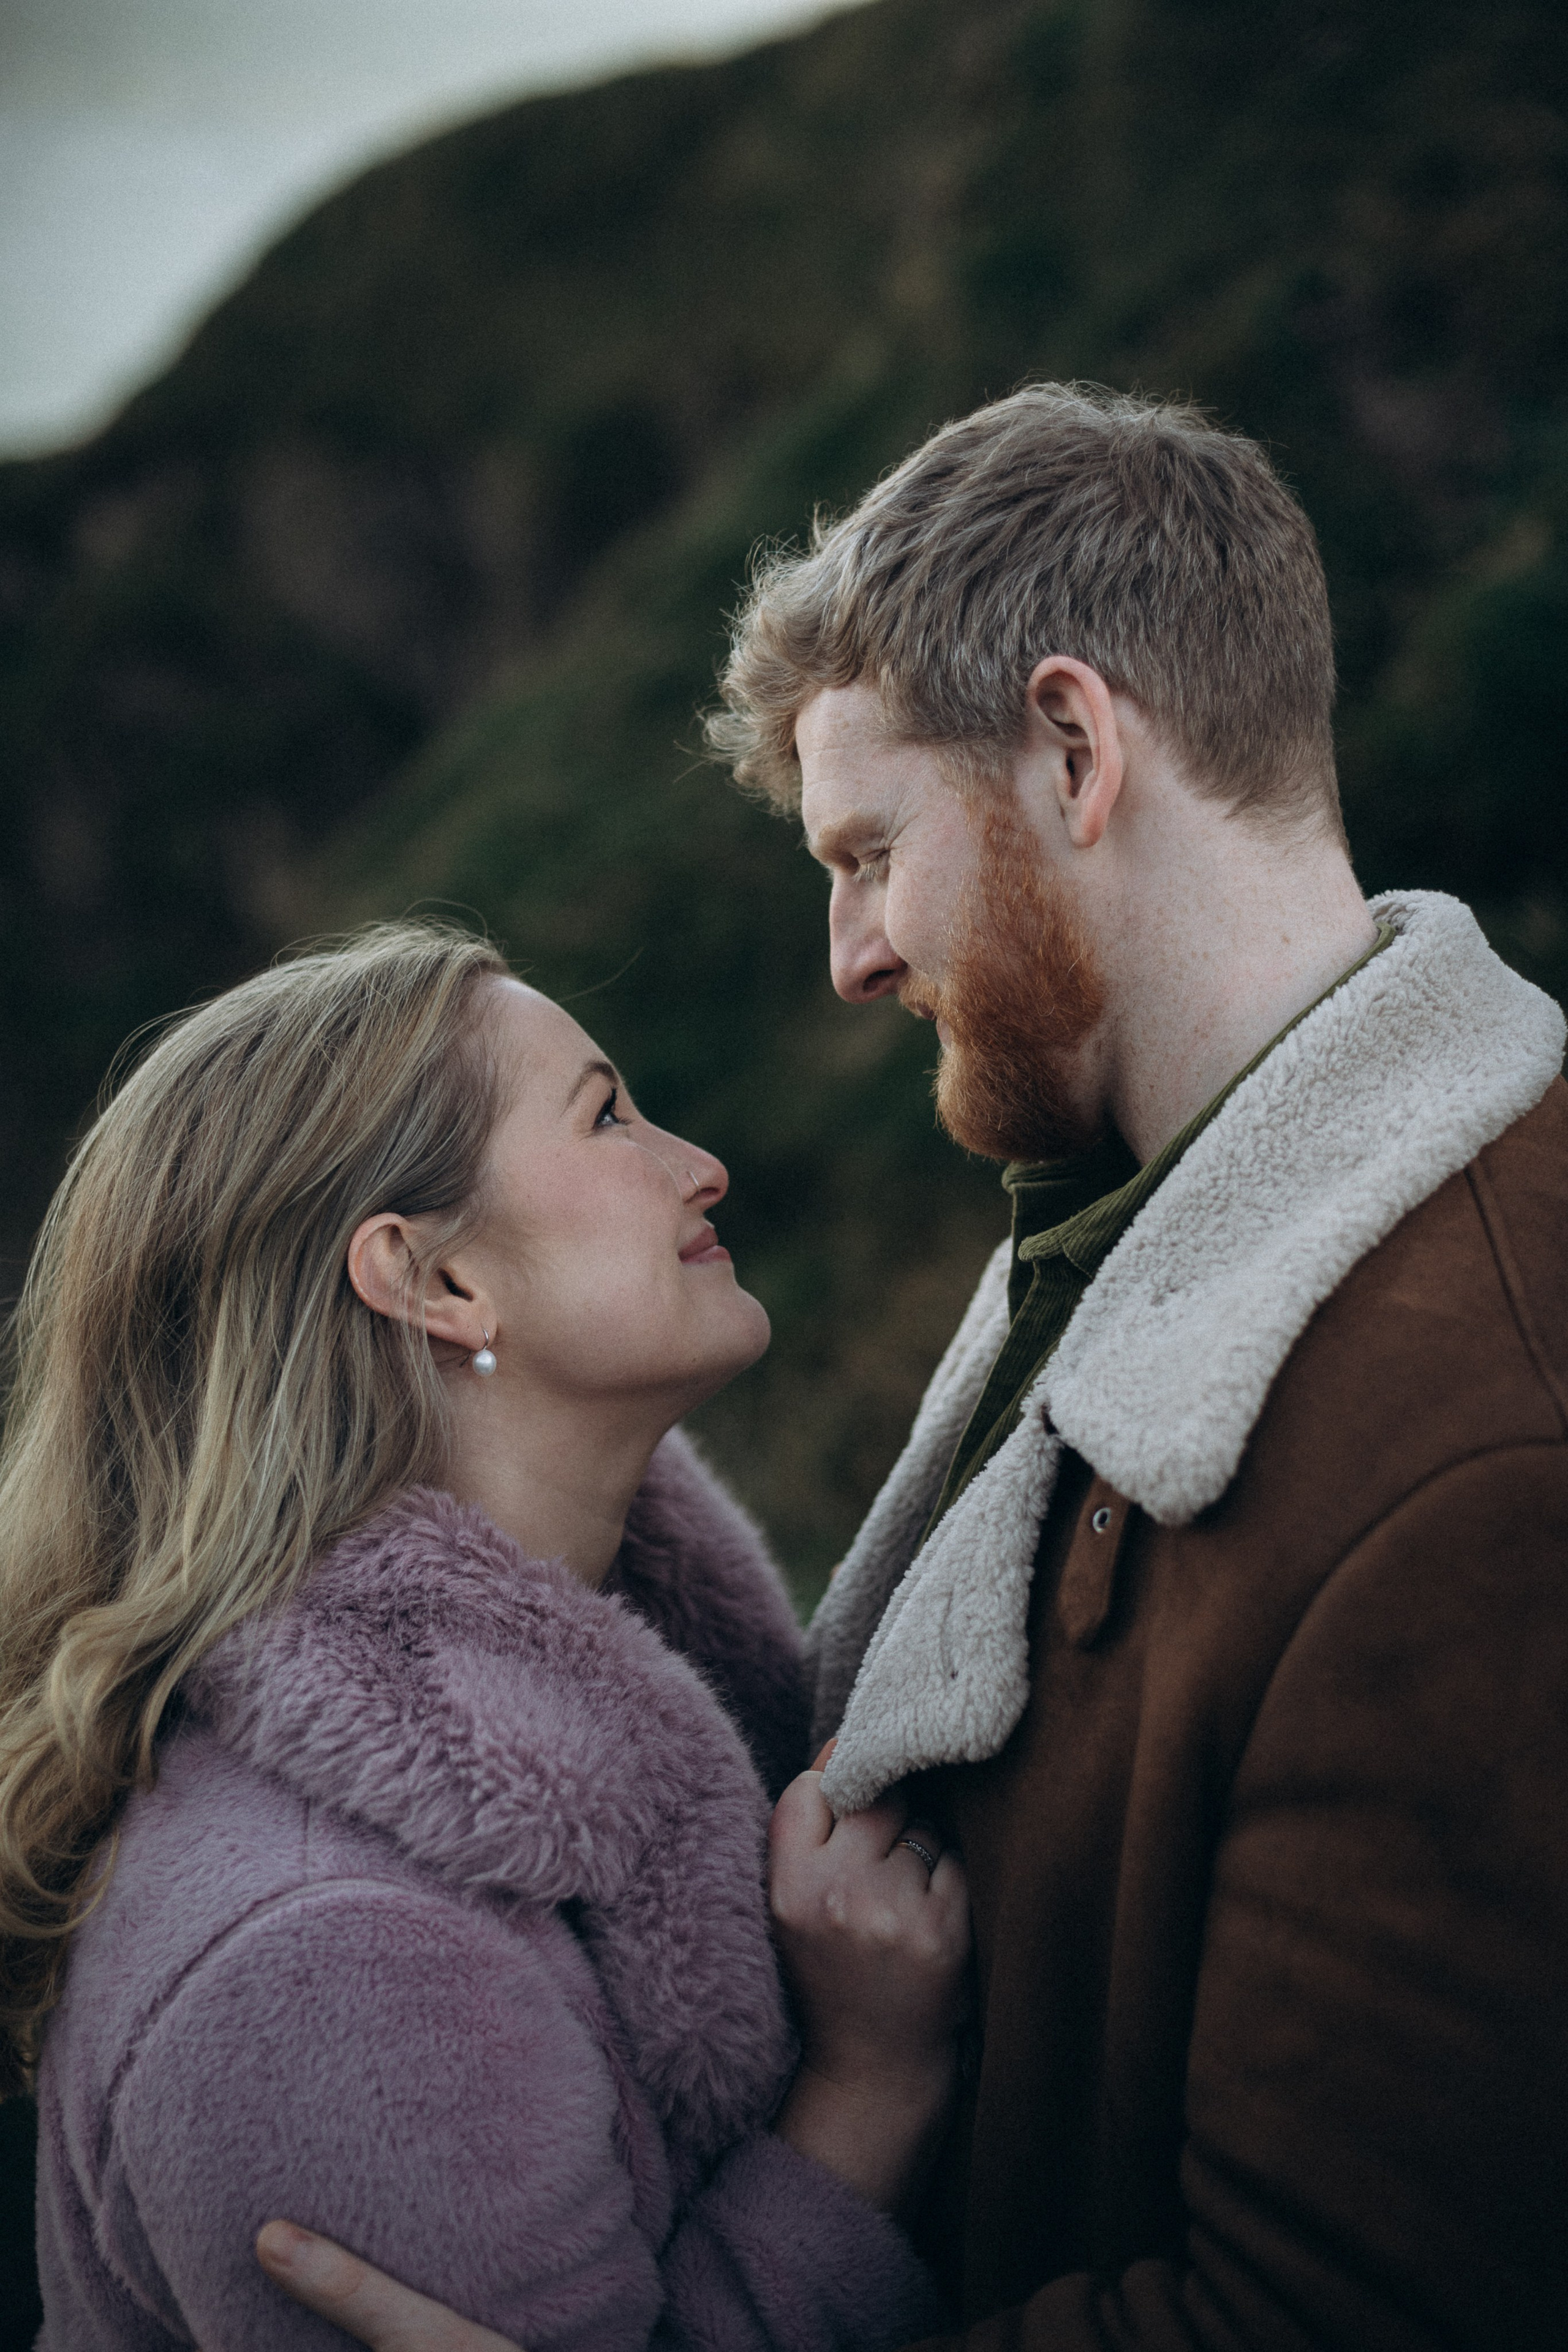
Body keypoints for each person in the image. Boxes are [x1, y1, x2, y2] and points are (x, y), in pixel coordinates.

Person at [264, 384, 1568, 2352]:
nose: (850, 956)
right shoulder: (1126, 1218)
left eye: (868, 851)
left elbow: (1349, 2311)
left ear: (1073, 746)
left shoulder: (1482, 1437)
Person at [0, 921, 970, 2348]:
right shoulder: (327, 1961)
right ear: (436, 1283)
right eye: (606, 1117)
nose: (697, 1165)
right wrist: (868, 2089)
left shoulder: (627, 1674)